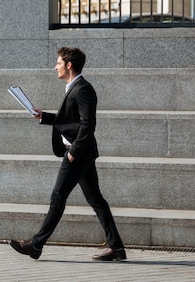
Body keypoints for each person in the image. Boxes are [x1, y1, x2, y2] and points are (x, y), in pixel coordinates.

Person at [9, 47, 126, 261]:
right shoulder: (73, 87)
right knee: (96, 199)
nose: (55, 67)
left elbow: (88, 125)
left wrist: (74, 152)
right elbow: (71, 121)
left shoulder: (83, 89)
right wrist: (43, 116)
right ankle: (117, 247)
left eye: (58, 63)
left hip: (77, 153)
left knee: (58, 197)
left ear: (69, 65)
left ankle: (36, 245)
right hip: (81, 152)